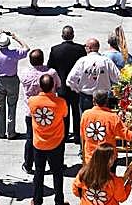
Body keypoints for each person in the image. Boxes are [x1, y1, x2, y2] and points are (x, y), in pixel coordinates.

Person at [27, 74, 68, 205]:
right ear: (53, 86)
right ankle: (59, 201)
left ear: (40, 87)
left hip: (39, 143)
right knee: (57, 173)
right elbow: (65, 115)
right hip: (56, 143)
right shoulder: (60, 102)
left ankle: (37, 200)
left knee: (38, 172)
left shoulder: (32, 101)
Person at [20, 49, 61, 173]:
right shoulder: (51, 73)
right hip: (49, 110)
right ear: (43, 59)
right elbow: (58, 85)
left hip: (31, 111)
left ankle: (28, 164)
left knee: (30, 137)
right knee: (49, 136)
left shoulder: (25, 73)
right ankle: (52, 163)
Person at [0, 31, 29, 140]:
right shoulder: (14, 53)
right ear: (8, 43)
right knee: (12, 106)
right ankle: (11, 132)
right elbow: (26, 48)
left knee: (0, 107)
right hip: (12, 80)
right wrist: (16, 37)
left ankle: (1, 132)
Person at [47, 26, 86, 144]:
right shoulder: (80, 49)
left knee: (64, 113)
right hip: (76, 86)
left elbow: (50, 66)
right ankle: (77, 136)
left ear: (62, 36)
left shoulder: (55, 50)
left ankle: (63, 135)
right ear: (73, 35)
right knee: (76, 111)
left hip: (62, 87)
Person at [80, 90, 132, 164]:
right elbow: (124, 133)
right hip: (109, 159)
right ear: (107, 101)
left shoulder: (85, 115)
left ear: (93, 101)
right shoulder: (112, 117)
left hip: (90, 158)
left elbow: (83, 136)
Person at [67, 38, 120, 117]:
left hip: (86, 97)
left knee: (87, 122)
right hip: (103, 97)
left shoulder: (82, 61)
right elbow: (117, 78)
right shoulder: (106, 61)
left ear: (90, 48)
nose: (85, 48)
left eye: (86, 46)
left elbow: (70, 80)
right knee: (103, 122)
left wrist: (77, 89)